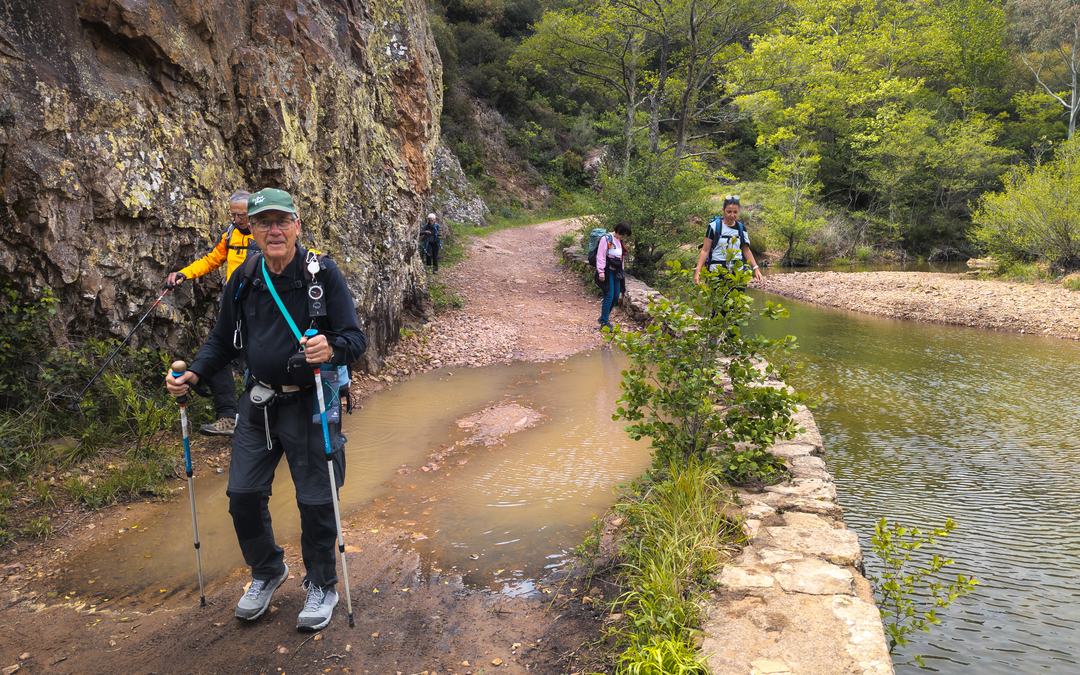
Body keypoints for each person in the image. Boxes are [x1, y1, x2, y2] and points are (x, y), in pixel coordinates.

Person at [166, 188, 367, 632]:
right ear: (251, 229)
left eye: (281, 221)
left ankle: (322, 584)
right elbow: (221, 340)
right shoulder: (245, 277)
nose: (273, 230)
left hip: (312, 401)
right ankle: (268, 571)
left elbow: (355, 339)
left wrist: (330, 346)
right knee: (242, 495)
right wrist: (194, 374)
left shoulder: (323, 274)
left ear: (297, 224)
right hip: (258, 402)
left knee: (316, 500)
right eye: (263, 222)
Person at [166, 190, 257, 436]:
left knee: (256, 362)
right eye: (234, 215)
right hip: (233, 308)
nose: (238, 219)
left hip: (258, 310)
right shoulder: (230, 235)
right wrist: (184, 273)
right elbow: (211, 260)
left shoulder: (264, 237)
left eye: (243, 215)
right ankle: (227, 416)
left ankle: (258, 421)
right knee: (217, 357)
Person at [693, 195, 763, 285]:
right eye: (729, 212)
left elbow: (746, 250)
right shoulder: (714, 226)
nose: (732, 215)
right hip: (716, 273)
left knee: (737, 298)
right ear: (723, 211)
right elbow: (705, 250)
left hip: (737, 273)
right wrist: (698, 271)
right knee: (717, 298)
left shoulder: (741, 228)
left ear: (739, 212)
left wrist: (755, 268)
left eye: (735, 212)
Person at [596, 222, 632, 329]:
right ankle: (604, 321)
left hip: (617, 272)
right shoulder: (606, 239)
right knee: (609, 295)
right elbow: (601, 255)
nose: (623, 236)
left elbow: (621, 258)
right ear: (618, 230)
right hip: (607, 271)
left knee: (616, 296)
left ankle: (603, 317)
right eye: (623, 234)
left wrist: (622, 271)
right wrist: (601, 271)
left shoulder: (619, 241)